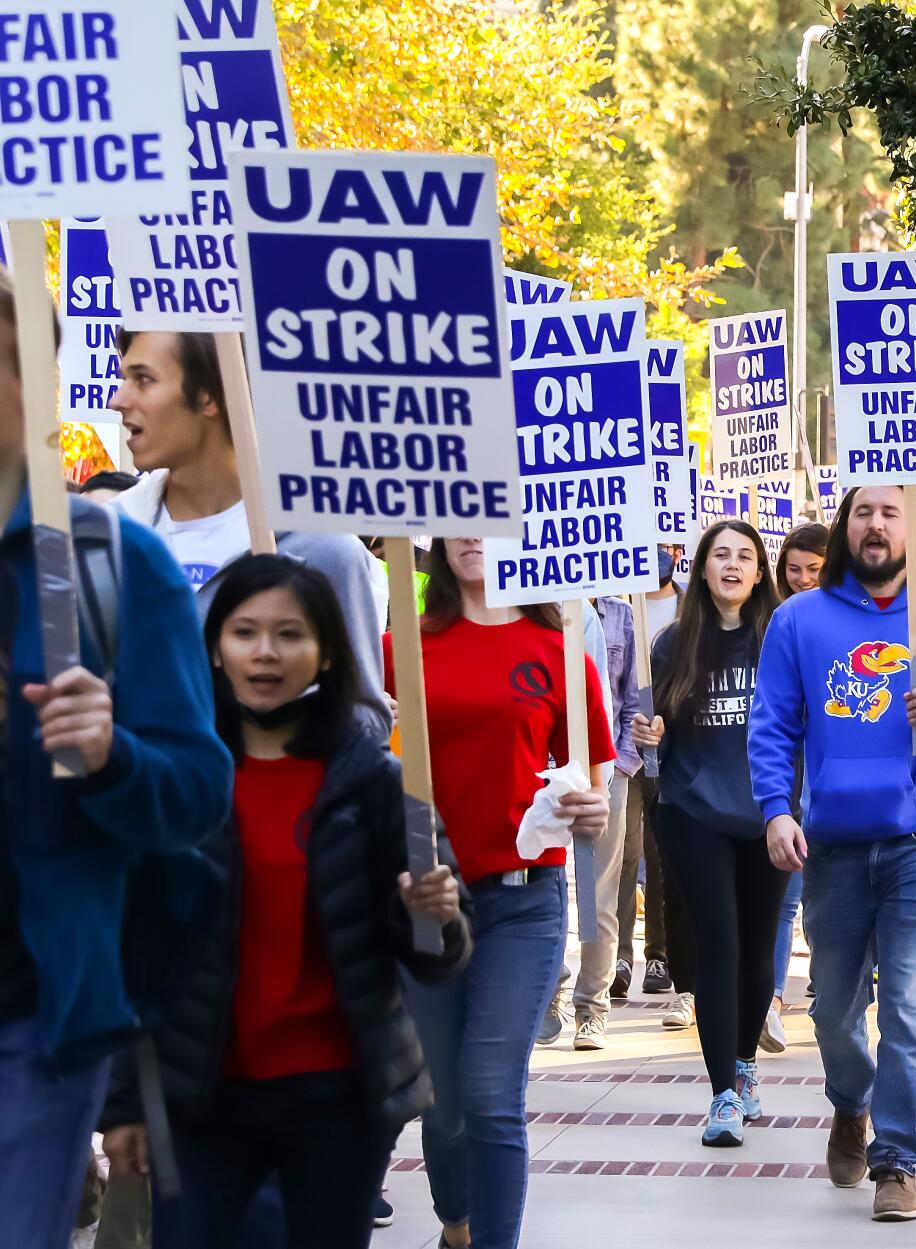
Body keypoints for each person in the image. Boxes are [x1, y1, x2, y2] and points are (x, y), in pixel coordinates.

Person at [99, 556, 470, 1249]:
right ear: (215, 646)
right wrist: (124, 1099)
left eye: (290, 633)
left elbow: (438, 958)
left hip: (338, 1097)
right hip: (202, 1098)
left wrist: (434, 910)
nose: (266, 652)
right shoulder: (179, 780)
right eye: (246, 631)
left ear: (327, 649)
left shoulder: (377, 782)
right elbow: (133, 945)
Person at [0, 268, 234, 1249]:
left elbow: (195, 793)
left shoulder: (108, 562)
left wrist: (109, 754)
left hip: (36, 1021)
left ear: (33, 379)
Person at [749, 486, 916, 1222]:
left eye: (890, 512)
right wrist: (776, 809)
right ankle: (850, 1103)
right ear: (844, 527)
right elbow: (771, 725)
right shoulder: (798, 620)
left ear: (914, 528)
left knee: (904, 1004)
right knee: (832, 1010)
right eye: (862, 512)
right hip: (831, 844)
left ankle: (896, 1158)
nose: (875, 524)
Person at [386, 537, 614, 1249]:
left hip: (524, 900)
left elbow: (594, 786)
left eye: (489, 519)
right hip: (427, 902)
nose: (472, 536)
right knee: (445, 1103)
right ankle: (457, 1222)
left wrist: (594, 808)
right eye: (458, 519)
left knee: (491, 1094)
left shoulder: (558, 650)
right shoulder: (401, 646)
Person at [109, 330, 390, 739]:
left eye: (144, 379)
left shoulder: (324, 552)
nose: (118, 399)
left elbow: (366, 730)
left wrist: (280, 721)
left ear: (208, 395)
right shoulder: (104, 539)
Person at [650, 520, 786, 1145]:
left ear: (760, 572)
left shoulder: (781, 640)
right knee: (721, 948)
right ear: (701, 567)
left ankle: (746, 1063)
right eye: (720, 554)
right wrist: (647, 739)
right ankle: (722, 1095)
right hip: (693, 813)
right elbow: (655, 735)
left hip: (767, 816)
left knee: (759, 956)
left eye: (745, 556)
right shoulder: (673, 644)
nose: (732, 565)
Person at [539, 594, 644, 1052]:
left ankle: (592, 1008)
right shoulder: (500, 608)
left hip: (595, 767)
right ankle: (546, 990)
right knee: (540, 885)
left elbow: (605, 696)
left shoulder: (586, 615)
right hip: (530, 770)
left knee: (598, 890)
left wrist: (611, 770)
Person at [617, 545, 696, 1020]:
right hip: (626, 754)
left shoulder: (693, 612)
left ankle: (660, 958)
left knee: (665, 856)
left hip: (674, 752)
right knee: (626, 860)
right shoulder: (611, 607)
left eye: (666, 548)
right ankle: (621, 956)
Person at [762, 522, 830, 1054]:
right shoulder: (775, 623)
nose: (804, 579)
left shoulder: (844, 622)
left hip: (834, 780)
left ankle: (835, 989)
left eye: (816, 569)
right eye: (794, 570)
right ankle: (771, 1003)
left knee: (828, 899)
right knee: (786, 897)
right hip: (785, 778)